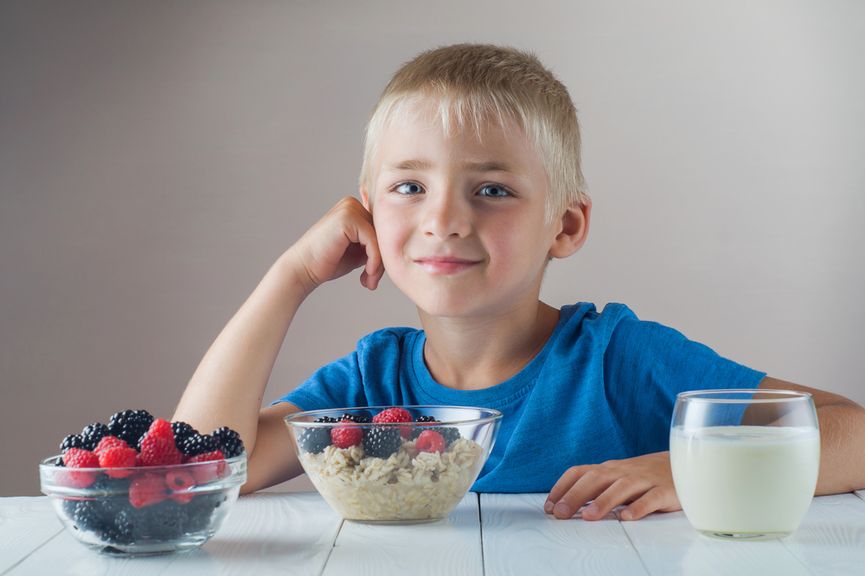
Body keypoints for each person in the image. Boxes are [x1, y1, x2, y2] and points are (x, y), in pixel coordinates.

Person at [174, 43, 865, 522]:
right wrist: (290, 276)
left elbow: (852, 433)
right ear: (368, 212)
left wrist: (684, 469)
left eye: (492, 189)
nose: (442, 218)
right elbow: (195, 471)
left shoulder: (616, 360)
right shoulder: (371, 383)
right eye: (409, 186)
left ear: (563, 226)